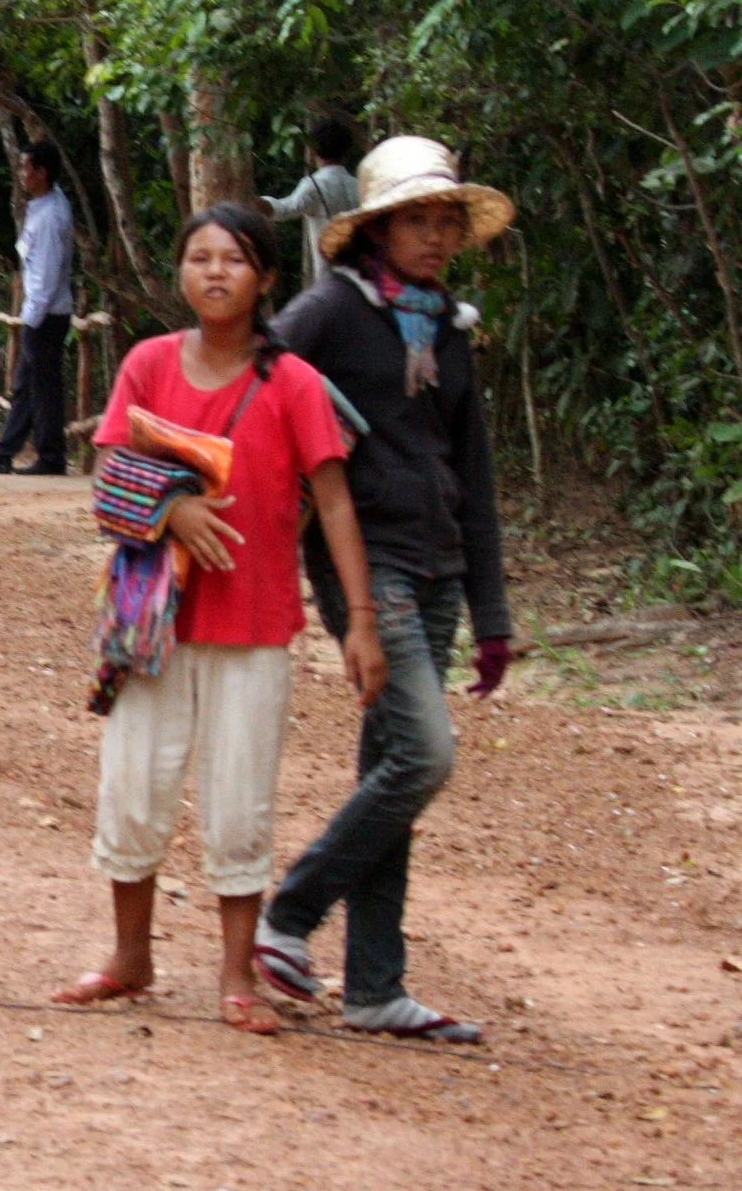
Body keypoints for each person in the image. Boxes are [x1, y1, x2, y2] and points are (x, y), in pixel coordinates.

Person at [53, 203, 385, 1036]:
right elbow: (106, 479)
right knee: (132, 790)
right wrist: (174, 513)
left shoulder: (296, 384)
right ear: (180, 272)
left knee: (241, 804)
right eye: (198, 257)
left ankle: (238, 975)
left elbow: (337, 502)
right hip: (151, 626)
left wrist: (362, 620)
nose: (214, 273)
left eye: (233, 260)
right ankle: (131, 956)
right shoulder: (148, 363)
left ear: (266, 278)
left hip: (254, 628)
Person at [252, 136, 517, 1044]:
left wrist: (494, 616)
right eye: (419, 218)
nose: (437, 235)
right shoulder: (328, 311)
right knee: (425, 757)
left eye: (447, 220)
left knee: (390, 767)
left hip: (438, 563)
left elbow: (471, 471)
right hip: (367, 565)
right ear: (376, 228)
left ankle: (373, 986)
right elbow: (255, 382)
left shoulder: (445, 324)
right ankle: (287, 915)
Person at [0, 141, 76, 475]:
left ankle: (50, 456)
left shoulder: (50, 216)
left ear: (42, 172)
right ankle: (4, 452)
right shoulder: (45, 206)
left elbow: (46, 277)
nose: (22, 174)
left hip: (46, 314)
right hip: (44, 312)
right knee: (26, 382)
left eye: (27, 167)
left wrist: (31, 319)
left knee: (43, 386)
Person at [262, 118, 362, 289]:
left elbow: (285, 208)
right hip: (361, 277)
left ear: (313, 150)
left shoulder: (314, 185)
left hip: (329, 279)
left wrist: (257, 204)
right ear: (348, 150)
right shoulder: (359, 185)